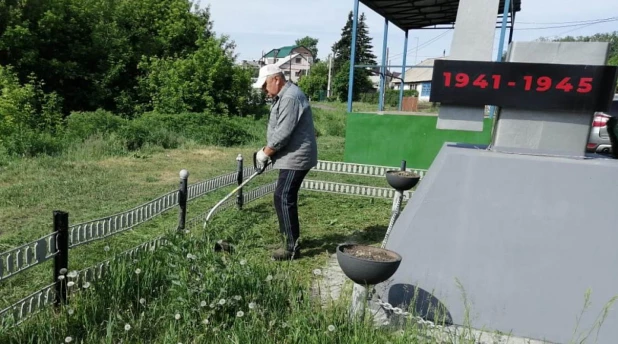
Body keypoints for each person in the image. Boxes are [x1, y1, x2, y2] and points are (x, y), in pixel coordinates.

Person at [252, 64, 318, 261]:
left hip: (296, 157)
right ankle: (289, 239)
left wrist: (265, 153)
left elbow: (283, 133)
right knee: (282, 196)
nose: (264, 89)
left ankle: (291, 248)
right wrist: (269, 152)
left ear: (276, 79)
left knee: (283, 196)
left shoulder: (289, 97)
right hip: (290, 156)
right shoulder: (284, 95)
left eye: (265, 85)